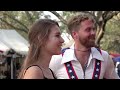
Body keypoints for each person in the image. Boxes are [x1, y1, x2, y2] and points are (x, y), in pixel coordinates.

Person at [49, 12, 119, 79]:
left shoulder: (104, 57)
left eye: (94, 29)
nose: (93, 33)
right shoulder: (57, 59)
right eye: (88, 30)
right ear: (74, 34)